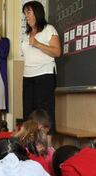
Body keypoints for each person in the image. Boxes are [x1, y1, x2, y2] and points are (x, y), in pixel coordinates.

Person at [21, 1, 61, 138]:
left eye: (29, 12)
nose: (26, 16)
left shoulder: (49, 29)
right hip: (28, 77)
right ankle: (29, 147)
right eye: (25, 13)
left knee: (45, 114)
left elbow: (57, 52)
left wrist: (38, 44)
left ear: (37, 12)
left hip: (45, 75)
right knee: (28, 113)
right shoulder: (26, 35)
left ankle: (47, 149)